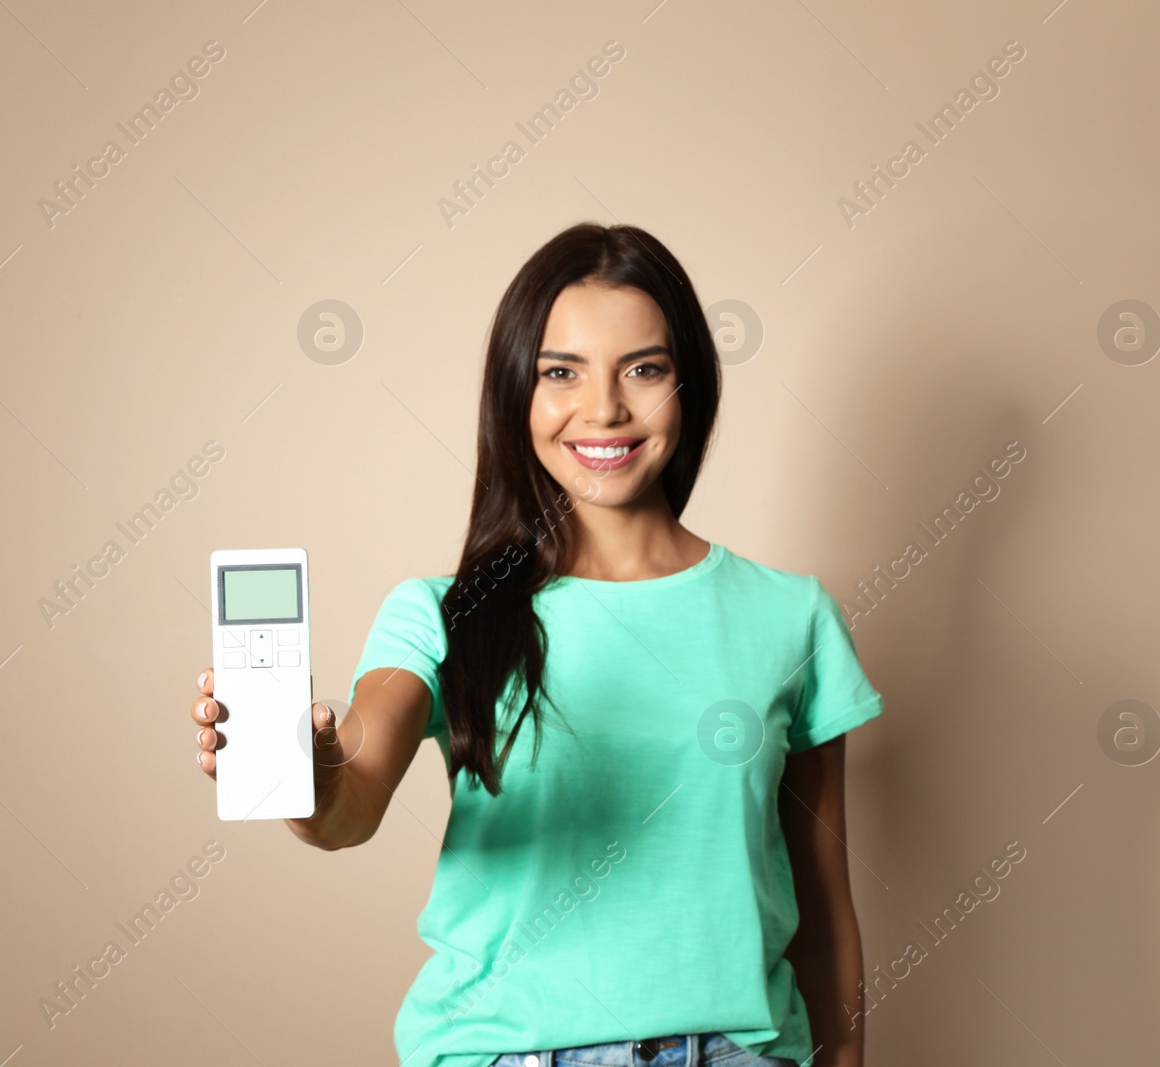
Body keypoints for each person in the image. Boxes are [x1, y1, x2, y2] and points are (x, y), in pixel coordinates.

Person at [190, 222, 885, 1067]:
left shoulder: (791, 618)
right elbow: (348, 806)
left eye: (645, 368)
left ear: (689, 384)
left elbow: (824, 911)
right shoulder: (441, 614)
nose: (605, 408)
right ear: (518, 391)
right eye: (562, 372)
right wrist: (305, 763)